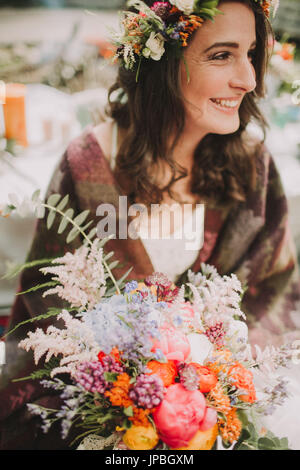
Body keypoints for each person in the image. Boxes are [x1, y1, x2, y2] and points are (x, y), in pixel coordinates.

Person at [1, 0, 300, 450]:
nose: (249, 78)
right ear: (162, 64)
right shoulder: (89, 167)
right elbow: (48, 316)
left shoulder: (250, 165)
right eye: (222, 55)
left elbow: (273, 291)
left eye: (251, 53)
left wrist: (213, 387)